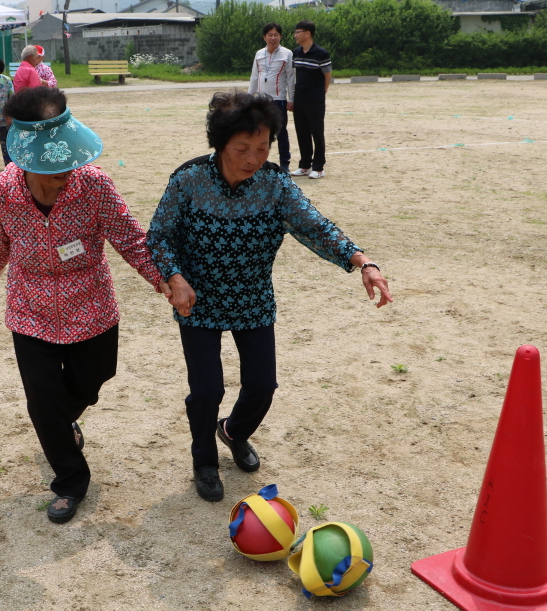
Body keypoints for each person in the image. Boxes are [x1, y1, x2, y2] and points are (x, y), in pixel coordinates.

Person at [146, 91, 392, 502]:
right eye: (242, 148)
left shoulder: (275, 184)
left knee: (263, 385)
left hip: (252, 298)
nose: (252, 158)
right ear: (220, 144)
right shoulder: (188, 180)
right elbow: (159, 237)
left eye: (262, 148)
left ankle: (233, 431)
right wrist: (174, 276)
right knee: (206, 390)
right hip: (197, 301)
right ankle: (203, 459)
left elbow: (314, 226)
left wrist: (362, 261)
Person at [0, 86, 168, 524]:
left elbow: (131, 239)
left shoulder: (94, 184)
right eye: (54, 167)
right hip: (30, 310)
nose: (66, 172)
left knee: (93, 380)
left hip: (90, 307)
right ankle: (69, 479)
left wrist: (164, 280)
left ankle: (63, 422)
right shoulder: (3, 190)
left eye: (69, 161)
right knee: (42, 399)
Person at [248, 22, 294, 172]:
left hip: (279, 99)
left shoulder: (287, 54)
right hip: (261, 100)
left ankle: (284, 163)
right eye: (270, 35)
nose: (273, 38)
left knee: (281, 132)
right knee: (260, 132)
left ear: (280, 36)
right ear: (264, 37)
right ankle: (260, 162)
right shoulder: (259, 54)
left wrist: (291, 99)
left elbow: (290, 79)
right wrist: (249, 98)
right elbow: (254, 77)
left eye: (276, 35)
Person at [290, 20, 331, 179]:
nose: (295, 35)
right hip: (299, 97)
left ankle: (319, 167)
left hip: (315, 99)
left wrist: (323, 90)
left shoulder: (321, 53)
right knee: (302, 132)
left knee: (317, 132)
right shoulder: (296, 52)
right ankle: (305, 165)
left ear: (307, 33)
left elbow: (327, 75)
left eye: (298, 32)